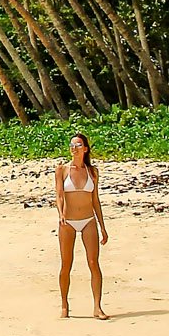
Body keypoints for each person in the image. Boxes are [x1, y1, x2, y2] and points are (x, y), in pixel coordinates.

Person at [54, 132, 106, 319]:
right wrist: (60, 214)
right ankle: (64, 304)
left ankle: (97, 307)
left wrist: (103, 226)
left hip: (88, 221)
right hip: (67, 222)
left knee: (93, 263)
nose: (74, 148)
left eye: (77, 145)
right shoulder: (62, 170)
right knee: (66, 264)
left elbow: (95, 200)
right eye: (72, 145)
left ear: (85, 149)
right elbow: (59, 195)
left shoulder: (92, 172)